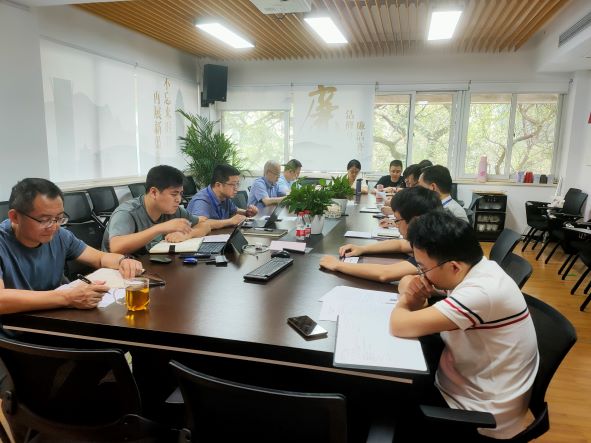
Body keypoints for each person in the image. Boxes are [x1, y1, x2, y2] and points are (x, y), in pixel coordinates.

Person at [391, 211, 538, 440]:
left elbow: (399, 324)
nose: (421, 274)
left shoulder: (482, 292)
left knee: (381, 398)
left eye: (423, 268)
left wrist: (406, 300)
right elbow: (407, 282)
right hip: (466, 380)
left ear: (454, 267)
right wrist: (411, 288)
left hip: (477, 413)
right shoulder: (476, 268)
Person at [0, 178, 144, 314]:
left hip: (56, 315)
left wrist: (123, 261)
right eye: (44, 220)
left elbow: (100, 258)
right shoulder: (3, 243)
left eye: (59, 218)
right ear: (15, 217)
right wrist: (67, 298)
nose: (54, 226)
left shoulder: (60, 235)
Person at [319, 187, 442, 282]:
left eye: (397, 220)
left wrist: (337, 265)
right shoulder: (431, 233)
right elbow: (400, 245)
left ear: (414, 220)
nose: (396, 225)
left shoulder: (433, 247)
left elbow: (385, 273)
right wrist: (362, 249)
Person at [102, 165, 210, 255]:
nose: (179, 199)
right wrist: (160, 228)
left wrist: (188, 234)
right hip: (118, 270)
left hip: (154, 264)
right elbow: (116, 247)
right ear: (154, 193)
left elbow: (204, 225)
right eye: (174, 194)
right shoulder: (127, 212)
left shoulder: (174, 210)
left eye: (180, 194)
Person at [187, 164, 257, 230]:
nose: (237, 189)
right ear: (218, 185)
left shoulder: (224, 197)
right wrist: (230, 221)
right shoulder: (202, 200)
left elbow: (235, 210)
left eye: (237, 184)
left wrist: (247, 212)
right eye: (233, 184)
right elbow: (200, 223)